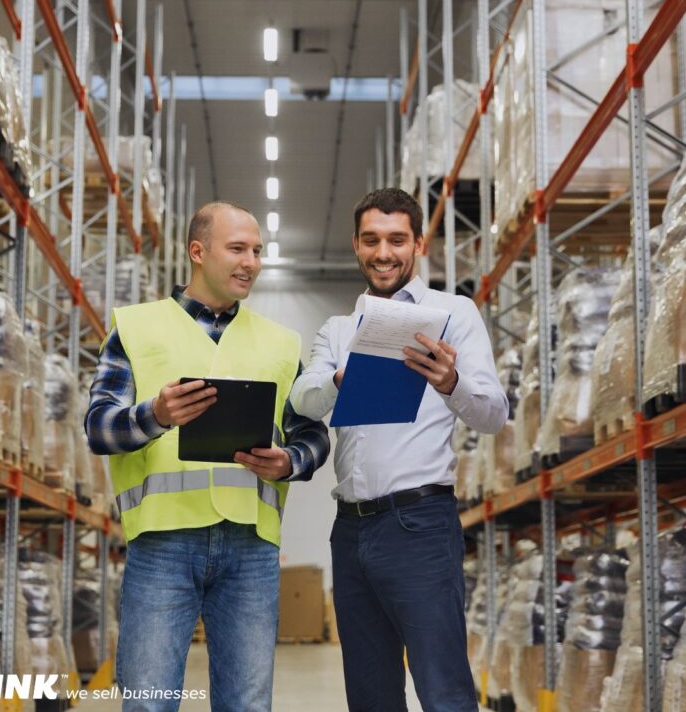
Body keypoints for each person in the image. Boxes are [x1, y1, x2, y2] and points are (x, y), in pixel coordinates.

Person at [85, 202, 330, 712]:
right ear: (198, 252)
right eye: (237, 248)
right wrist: (155, 414)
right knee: (149, 703)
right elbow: (98, 428)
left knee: (247, 704)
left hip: (252, 549)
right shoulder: (136, 328)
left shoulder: (281, 344)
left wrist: (290, 460)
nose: (252, 262)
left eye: (257, 251)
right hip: (161, 547)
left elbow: (313, 434)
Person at [289, 188, 508, 712]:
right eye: (371, 240)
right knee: (369, 693)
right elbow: (304, 399)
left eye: (396, 240)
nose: (382, 252)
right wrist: (343, 377)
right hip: (351, 529)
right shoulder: (337, 330)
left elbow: (495, 414)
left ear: (418, 243)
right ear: (356, 245)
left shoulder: (452, 314)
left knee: (443, 688)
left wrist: (451, 381)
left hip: (419, 524)